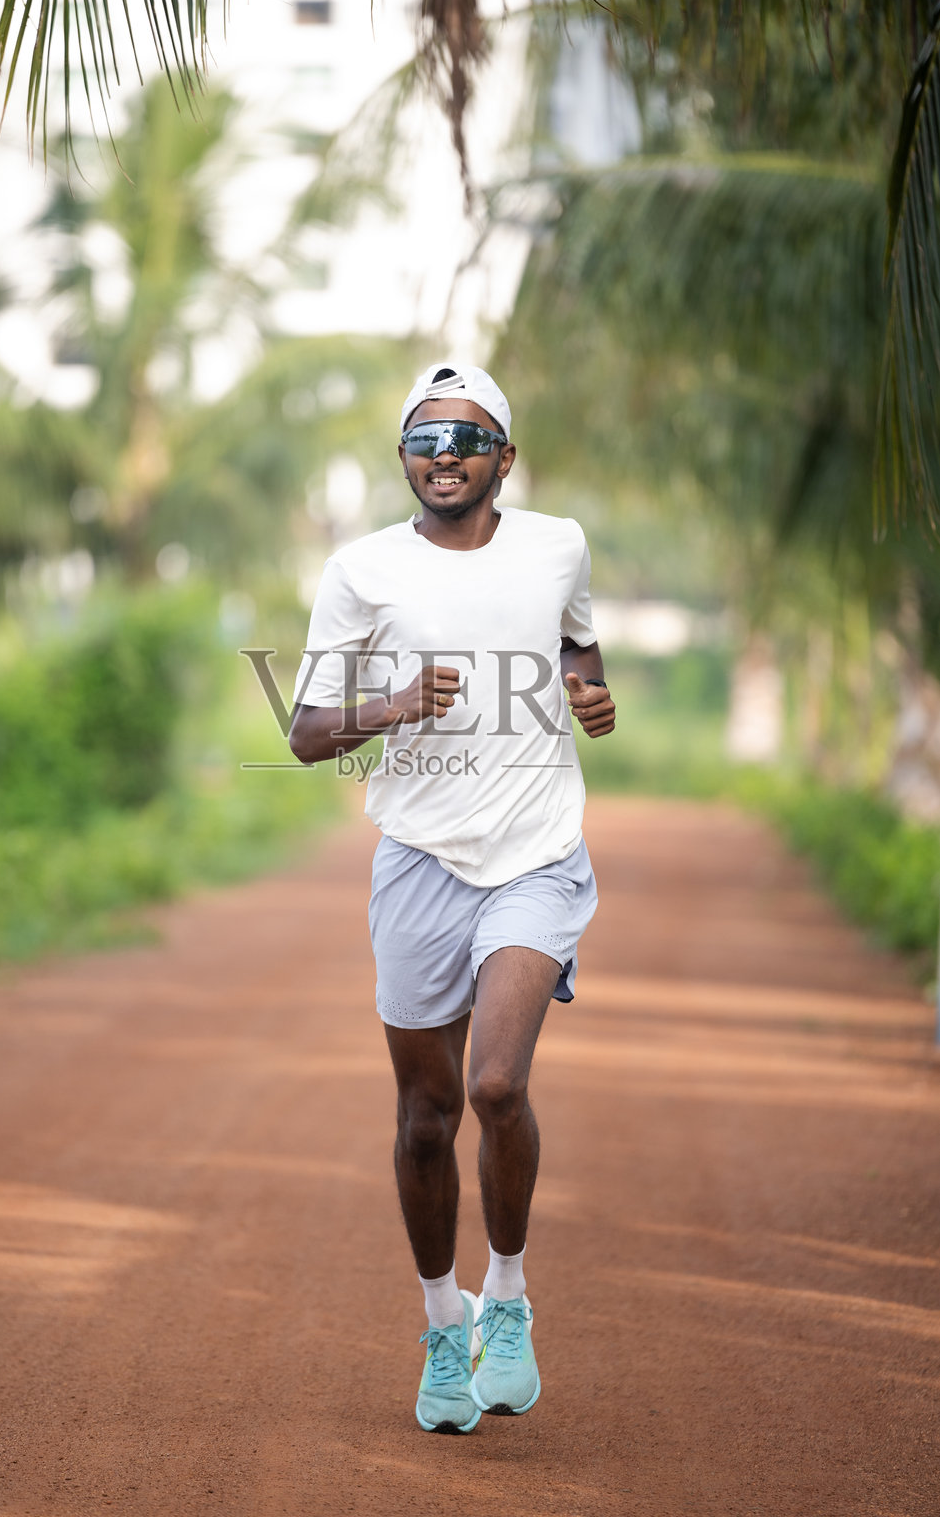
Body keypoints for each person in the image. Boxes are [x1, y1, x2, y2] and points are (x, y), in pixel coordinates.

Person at [288, 363, 616, 1434]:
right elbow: (303, 734)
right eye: (425, 441)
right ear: (402, 461)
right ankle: (444, 1324)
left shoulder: (556, 541)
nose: (444, 456)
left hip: (535, 852)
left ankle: (508, 1298)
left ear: (504, 459)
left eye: (467, 437)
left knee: (493, 1088)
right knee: (424, 1118)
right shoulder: (360, 568)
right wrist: (387, 703)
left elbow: (575, 630)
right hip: (419, 858)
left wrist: (586, 687)